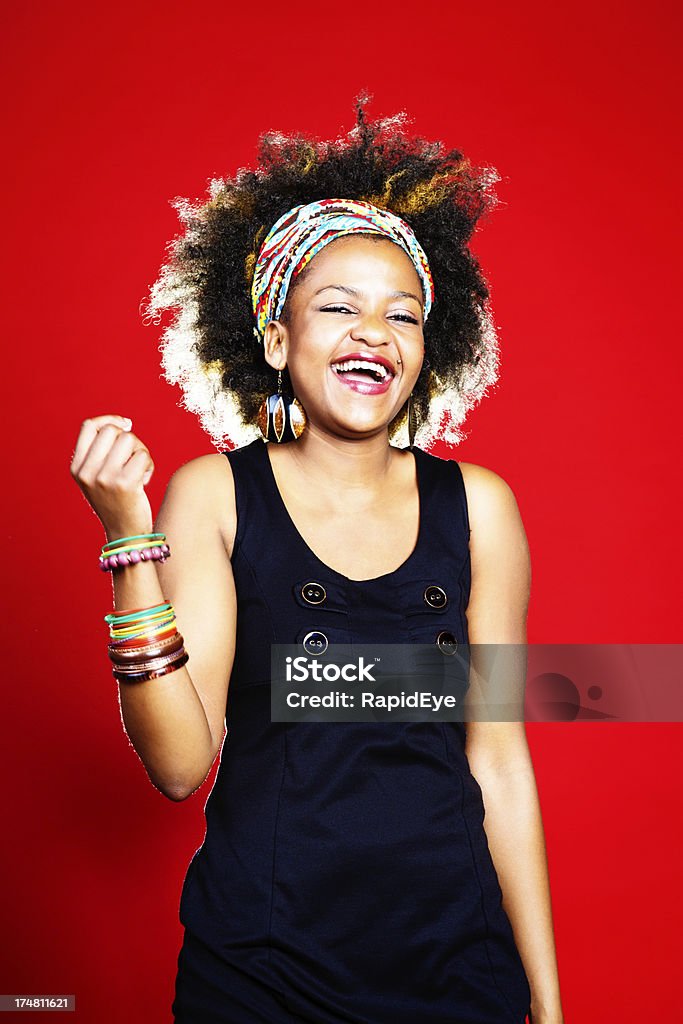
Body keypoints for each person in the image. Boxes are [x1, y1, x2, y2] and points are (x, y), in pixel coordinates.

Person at [70, 98, 564, 1024]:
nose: (372, 331)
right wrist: (128, 542)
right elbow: (180, 765)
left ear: (427, 350)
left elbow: (497, 758)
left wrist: (545, 1000)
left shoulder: (480, 510)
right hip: (261, 974)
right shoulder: (215, 496)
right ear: (273, 339)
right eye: (335, 306)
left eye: (402, 316)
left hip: (457, 968)